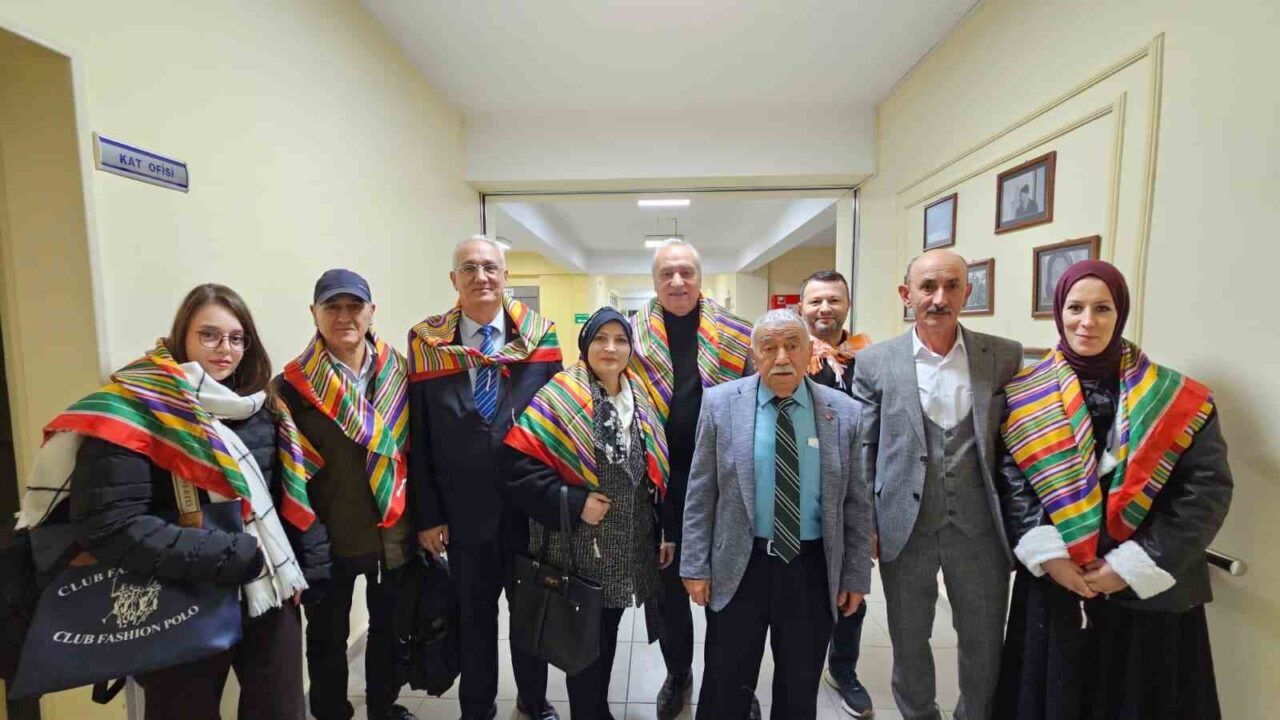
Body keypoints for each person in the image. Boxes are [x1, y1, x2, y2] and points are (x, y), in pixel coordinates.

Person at [17, 284, 328, 719]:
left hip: (268, 593)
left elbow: (286, 496)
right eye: (209, 335)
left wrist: (304, 566)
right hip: (179, 594)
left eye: (237, 338)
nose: (225, 349)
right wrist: (232, 553)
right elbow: (110, 524)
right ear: (182, 335)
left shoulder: (260, 406)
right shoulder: (136, 409)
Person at [994, 260, 1232, 719]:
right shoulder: (1023, 394)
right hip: (1059, 583)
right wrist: (1052, 558)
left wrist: (1129, 566)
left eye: (1102, 308)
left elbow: (1206, 491)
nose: (1088, 321)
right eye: (1075, 307)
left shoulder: (1178, 396)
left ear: (1120, 313)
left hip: (1149, 593)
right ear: (1058, 312)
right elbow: (1013, 482)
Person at [853, 249, 1023, 720]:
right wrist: (866, 522)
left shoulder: (1003, 356)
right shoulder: (874, 362)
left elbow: (1019, 444)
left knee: (984, 639)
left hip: (981, 525)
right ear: (906, 294)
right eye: (927, 287)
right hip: (904, 524)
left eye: (951, 286)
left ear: (967, 292)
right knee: (909, 638)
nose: (939, 298)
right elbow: (864, 447)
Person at [681, 309, 872, 720]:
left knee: (798, 689)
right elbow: (700, 493)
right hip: (740, 564)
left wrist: (856, 574)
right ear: (754, 355)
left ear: (809, 352)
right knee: (724, 685)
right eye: (769, 347)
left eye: (792, 346)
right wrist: (694, 565)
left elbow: (856, 502)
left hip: (811, 568)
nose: (781, 357)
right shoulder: (720, 404)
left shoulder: (844, 412)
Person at [407, 236, 562, 720]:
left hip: (530, 516)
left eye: (491, 267)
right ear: (453, 279)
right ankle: (477, 708)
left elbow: (560, 429)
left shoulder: (541, 338)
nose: (481, 277)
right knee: (474, 621)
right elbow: (419, 436)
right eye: (469, 268)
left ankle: (533, 702)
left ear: (505, 277)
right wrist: (428, 515)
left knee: (531, 619)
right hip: (463, 517)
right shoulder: (427, 344)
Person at [504, 307, 670, 720]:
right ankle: (588, 711)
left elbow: (652, 474)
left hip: (627, 548)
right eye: (600, 338)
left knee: (607, 637)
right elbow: (518, 468)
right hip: (578, 549)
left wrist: (663, 532)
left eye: (620, 340)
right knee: (583, 645)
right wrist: (576, 503)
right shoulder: (560, 395)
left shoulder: (640, 397)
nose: (610, 348)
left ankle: (597, 708)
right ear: (586, 345)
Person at [275, 270, 415, 720]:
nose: (344, 316)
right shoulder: (291, 386)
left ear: (372, 312)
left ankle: (383, 707)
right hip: (327, 536)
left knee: (388, 629)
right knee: (326, 638)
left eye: (354, 306)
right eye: (332, 307)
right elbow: (286, 472)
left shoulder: (401, 374)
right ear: (313, 313)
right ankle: (331, 711)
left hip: (390, 530)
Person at [628, 239, 754, 720]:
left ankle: (731, 679)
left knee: (732, 585)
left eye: (686, 272)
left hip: (726, 481)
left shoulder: (738, 334)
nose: (677, 281)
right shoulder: (630, 336)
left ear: (700, 278)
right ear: (654, 281)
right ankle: (678, 672)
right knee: (668, 591)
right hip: (659, 483)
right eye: (667, 273)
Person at [797, 270, 874, 718]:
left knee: (852, 587)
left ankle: (843, 669)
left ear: (847, 305)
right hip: (801, 496)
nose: (825, 308)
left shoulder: (869, 360)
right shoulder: (788, 358)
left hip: (856, 496)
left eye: (833, 300)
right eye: (816, 301)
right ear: (802, 308)